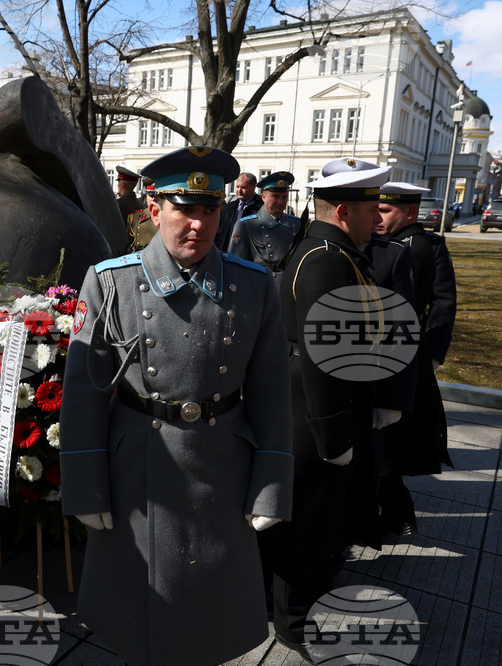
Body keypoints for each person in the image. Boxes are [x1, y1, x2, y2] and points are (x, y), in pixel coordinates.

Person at [60, 146, 294, 666]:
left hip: (222, 470)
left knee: (211, 619)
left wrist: (272, 485)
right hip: (136, 474)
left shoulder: (253, 286)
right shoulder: (110, 281)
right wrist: (83, 482)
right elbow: (84, 394)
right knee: (137, 616)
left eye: (209, 210)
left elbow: (273, 394)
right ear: (153, 208)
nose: (199, 224)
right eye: (185, 209)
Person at [258, 157, 391, 660]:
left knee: (317, 517)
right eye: (370, 207)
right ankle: (290, 619)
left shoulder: (334, 251)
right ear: (341, 211)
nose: (378, 217)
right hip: (314, 410)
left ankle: (293, 599)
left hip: (323, 404)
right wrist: (335, 438)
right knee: (305, 521)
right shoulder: (326, 260)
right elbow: (324, 359)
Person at [377, 181, 456, 536]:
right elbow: (443, 303)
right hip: (409, 353)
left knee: (392, 436)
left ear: (410, 212)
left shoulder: (413, 246)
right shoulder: (428, 245)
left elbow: (443, 302)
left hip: (399, 355)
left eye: (386, 210)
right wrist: (433, 352)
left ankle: (396, 510)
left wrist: (432, 353)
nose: (378, 216)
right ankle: (396, 510)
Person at [227, 171, 302, 275]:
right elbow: (236, 265)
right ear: (263, 197)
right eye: (275, 196)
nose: (280, 202)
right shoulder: (246, 225)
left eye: (284, 197)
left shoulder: (296, 224)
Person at [216, 171, 262, 250]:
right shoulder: (229, 207)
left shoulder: (261, 209)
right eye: (237, 187)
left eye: (243, 187)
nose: (239, 190)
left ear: (253, 187)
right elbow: (220, 232)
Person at [114, 165, 143, 240]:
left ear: (123, 184)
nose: (117, 185)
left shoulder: (118, 205)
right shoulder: (140, 204)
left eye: (119, 181)